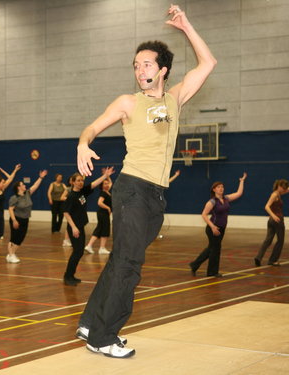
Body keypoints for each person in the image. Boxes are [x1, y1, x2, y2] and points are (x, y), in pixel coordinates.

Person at [75, 4, 217, 358]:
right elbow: (93, 125)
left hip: (157, 194)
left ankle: (92, 322)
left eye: (147, 64)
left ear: (163, 69)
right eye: (136, 65)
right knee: (129, 263)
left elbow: (209, 63)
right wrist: (83, 142)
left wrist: (186, 27)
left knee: (122, 257)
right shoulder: (128, 102)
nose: (140, 70)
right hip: (132, 188)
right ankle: (104, 336)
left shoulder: (176, 98)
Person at [63, 167, 115, 286]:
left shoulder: (83, 192)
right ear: (73, 182)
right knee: (77, 252)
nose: (81, 182)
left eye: (82, 180)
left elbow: (94, 184)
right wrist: (74, 227)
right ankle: (67, 276)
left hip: (80, 226)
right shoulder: (71, 196)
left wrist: (105, 175)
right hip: (74, 228)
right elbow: (66, 213)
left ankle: (71, 275)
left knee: (79, 252)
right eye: (78, 181)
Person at [190, 173, 247, 277]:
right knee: (215, 250)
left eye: (222, 187)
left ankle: (194, 264)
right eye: (218, 187)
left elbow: (239, 193)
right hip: (213, 228)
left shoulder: (226, 199)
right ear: (214, 190)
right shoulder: (212, 201)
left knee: (211, 248)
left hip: (222, 228)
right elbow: (204, 214)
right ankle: (212, 272)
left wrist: (242, 181)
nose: (221, 188)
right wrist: (212, 227)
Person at [7, 170, 48, 263]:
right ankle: (11, 255)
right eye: (22, 185)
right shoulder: (14, 198)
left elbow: (35, 185)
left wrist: (41, 177)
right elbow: (10, 209)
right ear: (18, 187)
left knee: (20, 238)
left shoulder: (27, 194)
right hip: (16, 219)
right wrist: (14, 220)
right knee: (14, 238)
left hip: (25, 220)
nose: (24, 185)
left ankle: (11, 254)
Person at [254, 179, 289, 267]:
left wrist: (272, 217)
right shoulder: (274, 195)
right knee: (280, 241)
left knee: (268, 240)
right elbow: (266, 206)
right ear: (279, 187)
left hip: (271, 221)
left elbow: (287, 190)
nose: (285, 190)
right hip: (277, 220)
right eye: (283, 188)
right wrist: (273, 216)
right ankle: (272, 260)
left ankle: (258, 257)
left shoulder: (278, 194)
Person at [84, 175, 112, 255]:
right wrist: (108, 208)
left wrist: (108, 176)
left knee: (100, 229)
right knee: (104, 229)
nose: (107, 185)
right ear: (102, 186)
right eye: (105, 184)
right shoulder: (103, 193)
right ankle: (101, 248)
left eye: (107, 184)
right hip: (103, 213)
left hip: (103, 214)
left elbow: (110, 183)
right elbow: (99, 203)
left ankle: (90, 246)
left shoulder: (107, 192)